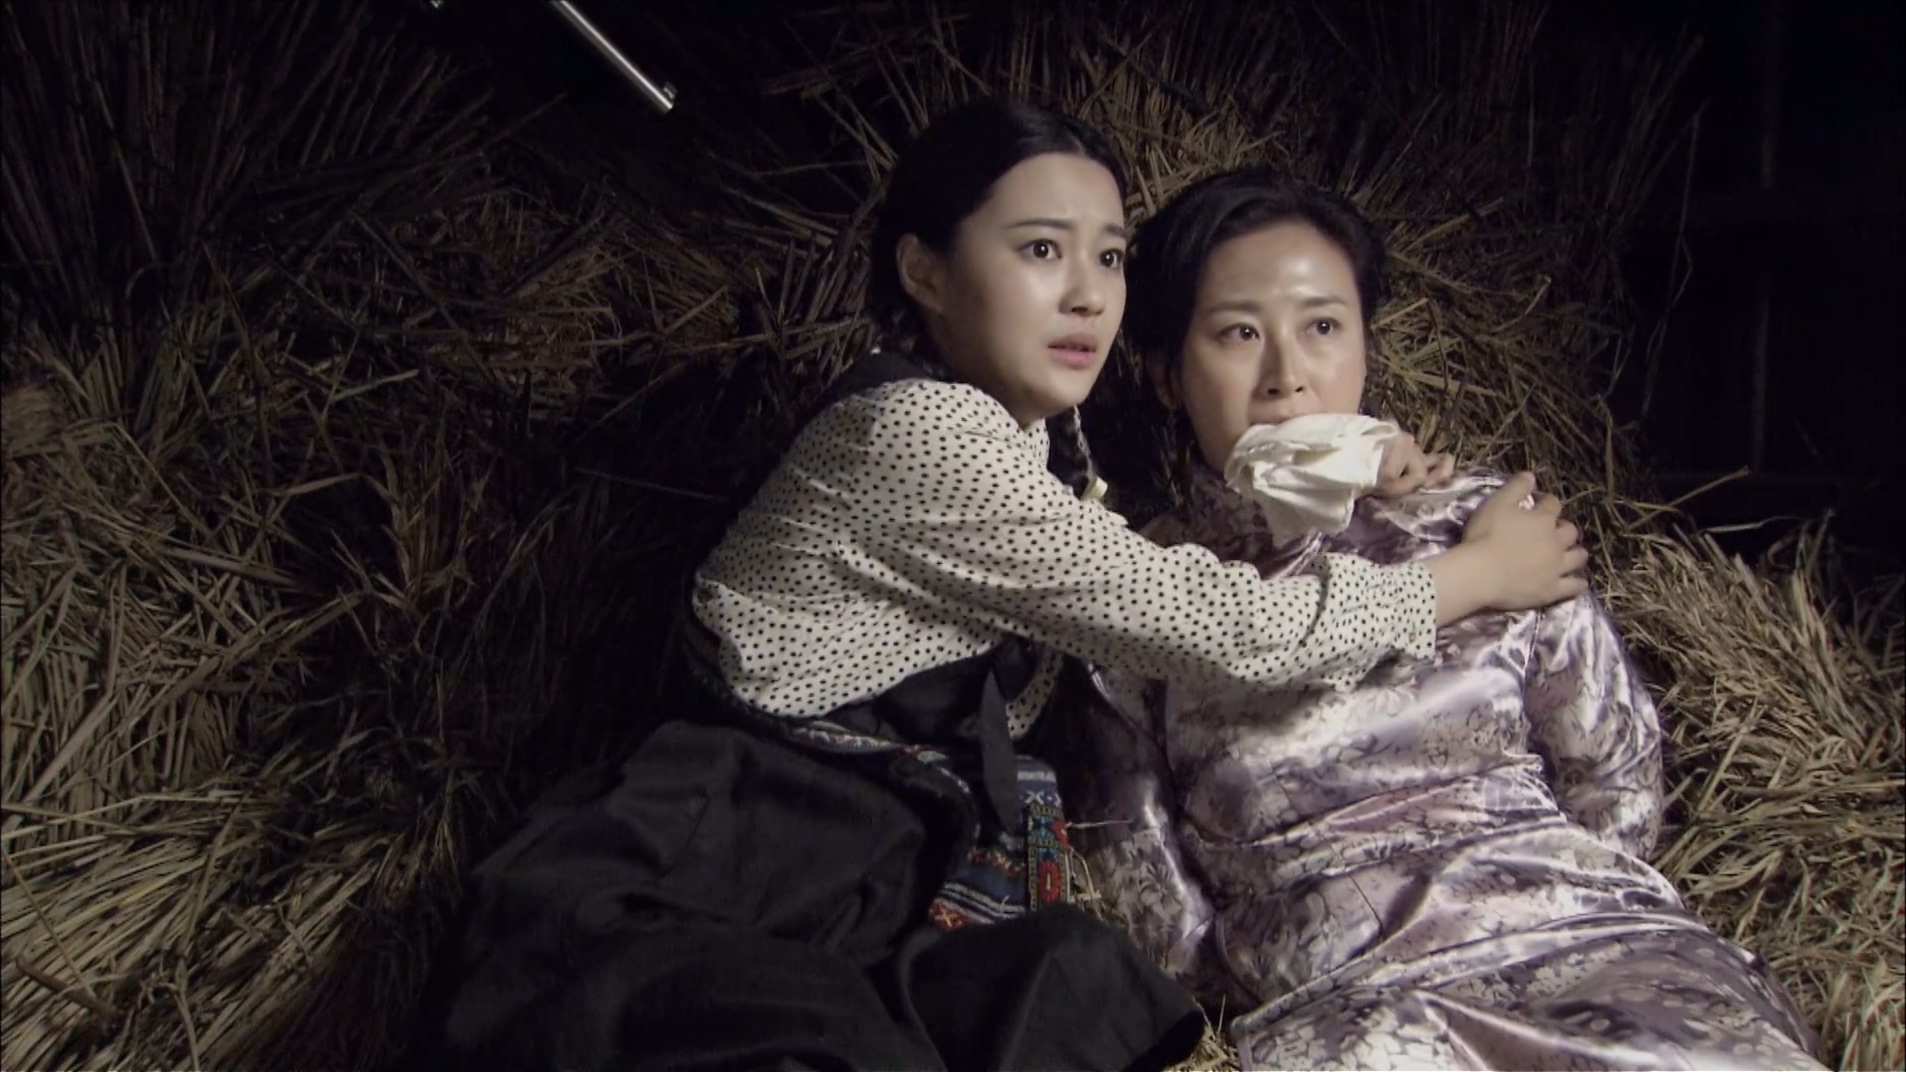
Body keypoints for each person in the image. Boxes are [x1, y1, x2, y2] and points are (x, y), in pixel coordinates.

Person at [410, 102, 1585, 1072]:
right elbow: (1218, 622)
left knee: (1075, 987)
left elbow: (1161, 554)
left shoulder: (1042, 457)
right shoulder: (920, 437)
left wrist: (1355, 464)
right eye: (1039, 251)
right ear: (923, 269)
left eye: (1109, 257)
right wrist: (1471, 574)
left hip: (873, 872)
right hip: (726, 863)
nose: (1087, 295)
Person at [1050, 167, 1826, 1071]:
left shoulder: (1484, 524)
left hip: (1590, 941)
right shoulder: (1143, 598)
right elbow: (1151, 894)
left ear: (1366, 346)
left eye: (1323, 327)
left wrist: (1543, 901)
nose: (1287, 378)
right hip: (1355, 1004)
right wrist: (1282, 955)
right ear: (1166, 373)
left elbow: (1614, 778)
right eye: (1238, 334)